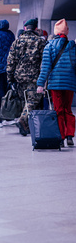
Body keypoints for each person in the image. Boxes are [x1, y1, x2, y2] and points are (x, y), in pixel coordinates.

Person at [37, 19, 76, 147]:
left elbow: (46, 67)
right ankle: (70, 135)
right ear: (67, 32)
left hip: (55, 84)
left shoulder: (49, 46)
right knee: (68, 109)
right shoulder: (73, 47)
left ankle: (61, 136)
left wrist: (40, 84)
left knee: (58, 110)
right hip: (69, 83)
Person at [6, 18, 47, 136]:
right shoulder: (40, 42)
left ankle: (26, 127)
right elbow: (43, 62)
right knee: (33, 100)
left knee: (25, 101)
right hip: (34, 77)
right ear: (35, 28)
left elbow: (10, 61)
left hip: (19, 77)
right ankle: (23, 120)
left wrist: (10, 78)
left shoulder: (17, 42)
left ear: (25, 28)